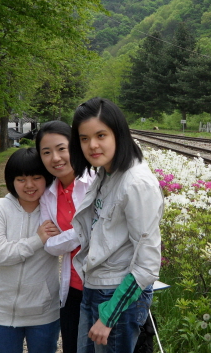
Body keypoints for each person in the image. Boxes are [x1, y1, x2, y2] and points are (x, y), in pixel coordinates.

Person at [69, 97, 164, 353]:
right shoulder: (106, 172)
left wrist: (109, 315)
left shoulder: (136, 183)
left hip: (116, 297)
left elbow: (147, 263)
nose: (93, 145)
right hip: (95, 287)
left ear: (118, 133)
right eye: (84, 138)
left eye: (101, 135)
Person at [0, 148, 60, 353]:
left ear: (47, 178)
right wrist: (38, 239)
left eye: (36, 178)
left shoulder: (54, 209)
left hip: (44, 312)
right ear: (11, 181)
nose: (29, 185)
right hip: (2, 311)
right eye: (21, 179)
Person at [36, 121, 96, 353]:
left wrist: (70, 235)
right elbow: (50, 246)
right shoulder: (49, 194)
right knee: (72, 347)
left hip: (102, 286)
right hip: (72, 287)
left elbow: (97, 229)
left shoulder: (95, 182)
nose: (56, 158)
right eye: (47, 152)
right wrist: (83, 231)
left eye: (62, 148)